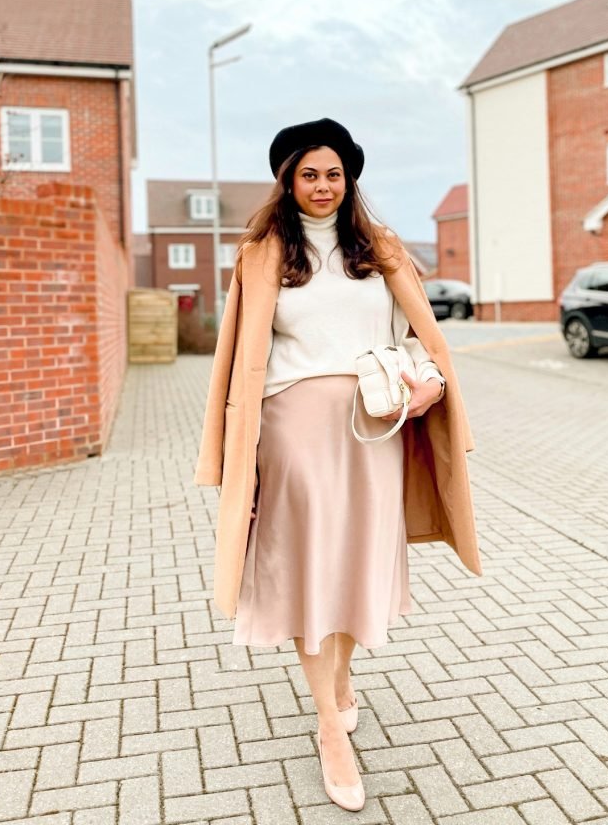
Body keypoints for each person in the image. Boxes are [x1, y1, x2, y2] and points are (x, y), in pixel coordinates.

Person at [194, 117, 481, 812]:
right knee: (307, 569)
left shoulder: (379, 249)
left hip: (374, 428)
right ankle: (330, 724)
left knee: (354, 565)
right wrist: (245, 454)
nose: (322, 187)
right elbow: (239, 359)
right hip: (292, 429)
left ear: (348, 178)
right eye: (307, 174)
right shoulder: (261, 255)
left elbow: (418, 334)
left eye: (333, 173)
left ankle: (341, 678)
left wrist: (430, 381)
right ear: (288, 181)